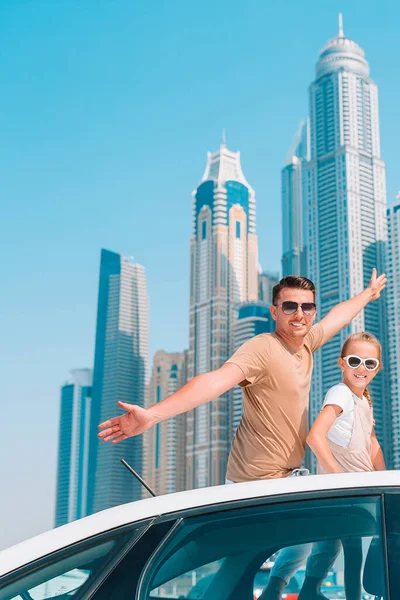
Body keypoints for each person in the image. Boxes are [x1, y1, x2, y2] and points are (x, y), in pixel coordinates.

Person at [98, 270, 386, 598]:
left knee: (296, 546)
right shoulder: (262, 348)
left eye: (307, 307)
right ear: (274, 312)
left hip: (285, 479)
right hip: (256, 485)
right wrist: (153, 415)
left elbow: (339, 316)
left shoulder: (306, 344)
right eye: (290, 306)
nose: (299, 314)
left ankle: (284, 591)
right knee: (265, 555)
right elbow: (214, 380)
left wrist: (368, 294)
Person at [305, 331, 385, 600]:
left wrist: (383, 481)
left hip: (361, 491)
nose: (361, 368)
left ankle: (309, 591)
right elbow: (315, 436)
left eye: (369, 363)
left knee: (331, 548)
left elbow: (372, 442)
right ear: (342, 363)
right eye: (354, 361)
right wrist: (341, 482)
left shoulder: (364, 399)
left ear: (377, 368)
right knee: (353, 552)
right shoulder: (340, 393)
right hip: (347, 493)